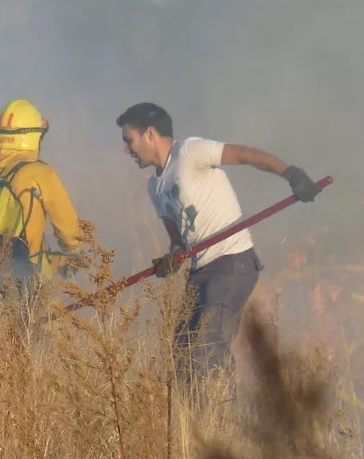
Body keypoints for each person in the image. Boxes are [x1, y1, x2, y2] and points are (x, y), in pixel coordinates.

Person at [115, 102, 322, 383]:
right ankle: (211, 421)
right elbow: (178, 241)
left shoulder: (190, 151)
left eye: (129, 140)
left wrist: (292, 175)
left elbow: (246, 155)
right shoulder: (154, 186)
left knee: (205, 351)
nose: (127, 150)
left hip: (232, 263)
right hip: (200, 272)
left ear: (150, 134)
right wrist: (171, 260)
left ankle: (221, 423)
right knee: (182, 355)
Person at [0, 99, 83, 298]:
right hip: (27, 277)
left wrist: (56, 260)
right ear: (32, 136)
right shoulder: (38, 172)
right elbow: (67, 227)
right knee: (49, 324)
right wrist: (75, 249)